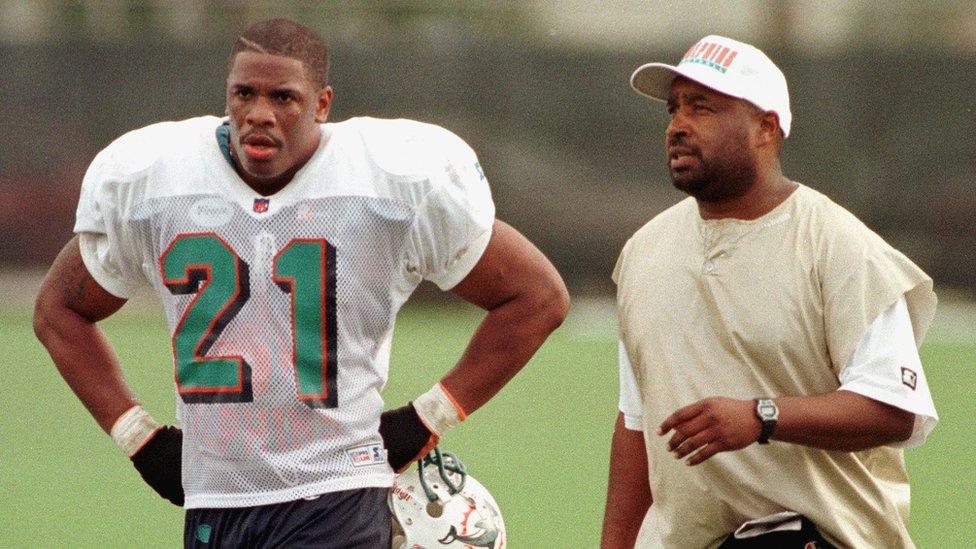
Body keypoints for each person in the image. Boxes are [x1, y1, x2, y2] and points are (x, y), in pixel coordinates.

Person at [33, 18, 569, 548]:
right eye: (244, 94)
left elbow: (536, 295)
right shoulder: (156, 180)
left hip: (339, 494)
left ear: (321, 104)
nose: (258, 115)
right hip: (215, 501)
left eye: (283, 98)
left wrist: (430, 415)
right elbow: (58, 311)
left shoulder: (389, 182)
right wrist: (137, 437)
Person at [601, 35, 938, 548]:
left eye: (703, 107)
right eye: (673, 110)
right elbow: (636, 424)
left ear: (766, 127)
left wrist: (762, 417)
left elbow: (894, 409)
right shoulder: (644, 252)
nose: (678, 126)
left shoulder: (840, 247)